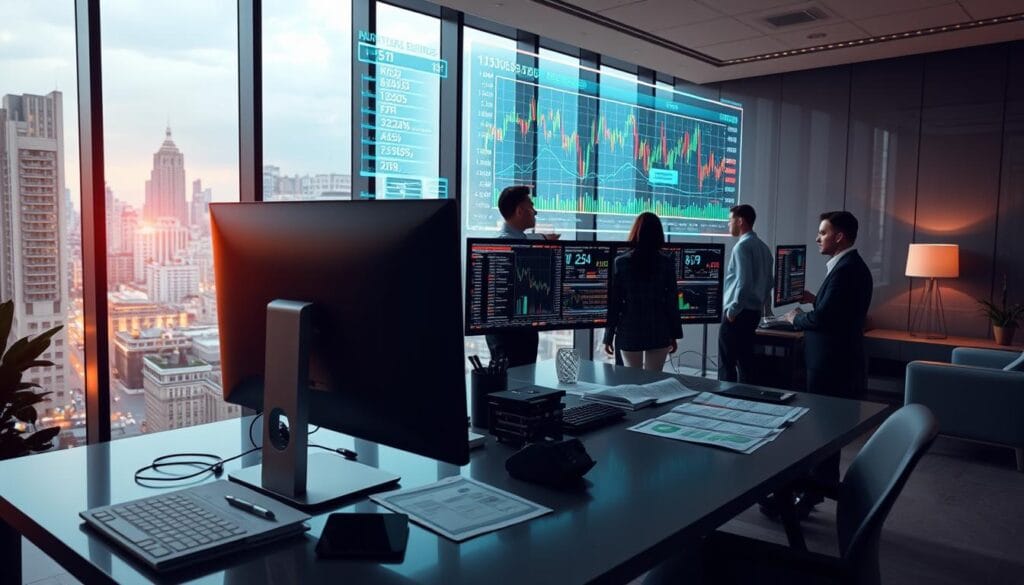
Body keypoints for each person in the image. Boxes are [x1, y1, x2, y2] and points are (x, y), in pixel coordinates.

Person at [769, 210, 873, 518]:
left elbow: (826, 320)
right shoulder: (850, 267)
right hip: (835, 362)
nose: (817, 238)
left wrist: (796, 317)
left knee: (821, 432)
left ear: (839, 236)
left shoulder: (846, 270)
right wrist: (817, 299)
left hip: (831, 365)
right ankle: (814, 491)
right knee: (824, 433)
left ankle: (811, 494)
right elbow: (837, 311)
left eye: (823, 232)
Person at [485, 185, 559, 368]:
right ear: (520, 211)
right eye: (531, 206)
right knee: (514, 384)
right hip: (510, 335)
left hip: (521, 329)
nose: (536, 212)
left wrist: (543, 239)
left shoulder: (515, 240)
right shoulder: (506, 245)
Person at [602, 212, 682, 371]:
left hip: (629, 330)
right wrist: (674, 334)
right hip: (659, 330)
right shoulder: (666, 263)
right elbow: (672, 301)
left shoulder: (621, 262)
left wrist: (608, 336)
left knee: (632, 380)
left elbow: (615, 303)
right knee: (653, 380)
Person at [718, 204, 773, 383]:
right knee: (746, 363)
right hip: (753, 314)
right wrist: (764, 309)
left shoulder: (741, 247)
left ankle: (724, 404)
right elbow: (769, 282)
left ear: (740, 221)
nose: (728, 224)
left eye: (730, 220)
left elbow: (744, 282)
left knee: (727, 366)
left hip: (738, 315)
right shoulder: (764, 248)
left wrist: (732, 311)